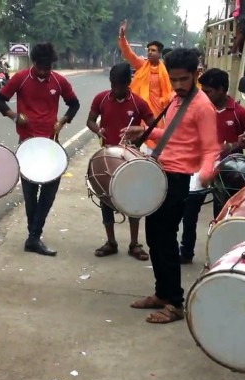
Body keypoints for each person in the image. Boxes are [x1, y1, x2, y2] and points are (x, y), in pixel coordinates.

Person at [122, 48, 220, 324]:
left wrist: (206, 172)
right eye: (174, 79)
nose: (178, 85)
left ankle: (175, 303)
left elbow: (211, 147)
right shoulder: (176, 101)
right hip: (160, 174)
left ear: (196, 75)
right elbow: (174, 134)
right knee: (154, 238)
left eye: (184, 79)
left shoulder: (203, 107)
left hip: (177, 181)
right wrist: (146, 131)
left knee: (165, 241)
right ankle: (162, 293)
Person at [0, 42, 80, 256]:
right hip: (28, 145)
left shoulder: (59, 82)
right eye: (40, 67)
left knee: (49, 192)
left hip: (50, 145)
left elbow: (74, 103)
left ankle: (33, 235)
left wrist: (63, 121)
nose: (43, 71)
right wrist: (15, 116)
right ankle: (34, 236)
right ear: (33, 63)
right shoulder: (21, 78)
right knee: (30, 193)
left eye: (47, 67)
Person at [179, 68, 245, 265]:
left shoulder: (239, 112)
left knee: (221, 218)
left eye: (208, 91)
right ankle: (186, 252)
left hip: (227, 174)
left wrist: (236, 144)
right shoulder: (198, 109)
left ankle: (219, 257)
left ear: (222, 90)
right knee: (189, 213)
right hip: (199, 170)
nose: (204, 95)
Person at [86, 63, 155, 261]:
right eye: (113, 85)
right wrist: (97, 130)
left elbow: (153, 126)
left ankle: (134, 244)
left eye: (120, 86)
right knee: (105, 198)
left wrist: (140, 135)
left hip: (130, 158)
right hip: (107, 157)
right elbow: (90, 121)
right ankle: (111, 242)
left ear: (128, 83)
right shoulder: (101, 99)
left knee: (133, 199)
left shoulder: (139, 103)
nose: (116, 89)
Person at [118, 19, 173, 154]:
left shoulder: (166, 72)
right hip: (137, 110)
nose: (149, 52)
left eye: (153, 50)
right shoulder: (141, 65)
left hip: (154, 114)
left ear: (159, 54)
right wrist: (122, 37)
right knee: (131, 142)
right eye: (148, 50)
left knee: (153, 146)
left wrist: (162, 102)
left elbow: (169, 94)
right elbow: (128, 54)